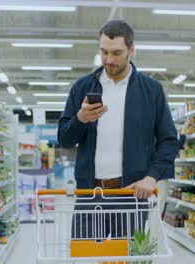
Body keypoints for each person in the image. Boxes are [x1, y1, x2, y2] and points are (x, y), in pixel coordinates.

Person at [57, 19, 179, 239]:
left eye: (116, 53)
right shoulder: (83, 87)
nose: (108, 60)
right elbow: (65, 139)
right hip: (89, 193)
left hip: (131, 194)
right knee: (87, 257)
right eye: (104, 52)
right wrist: (80, 118)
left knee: (126, 258)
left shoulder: (151, 91)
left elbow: (168, 140)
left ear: (131, 50)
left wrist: (151, 177)